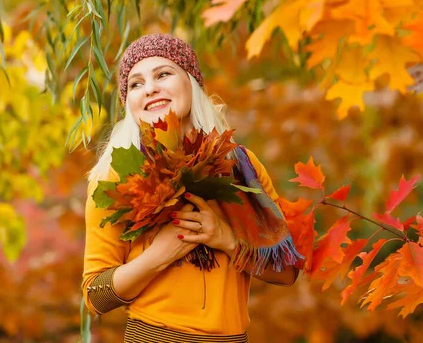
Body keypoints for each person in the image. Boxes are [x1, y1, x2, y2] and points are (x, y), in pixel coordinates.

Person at [82, 34, 300, 342]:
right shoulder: (114, 177)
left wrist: (225, 238)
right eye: (136, 83)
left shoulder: (241, 167)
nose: (151, 88)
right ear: (128, 102)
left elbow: (287, 271)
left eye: (163, 74)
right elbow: (96, 297)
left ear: (192, 83)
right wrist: (160, 254)